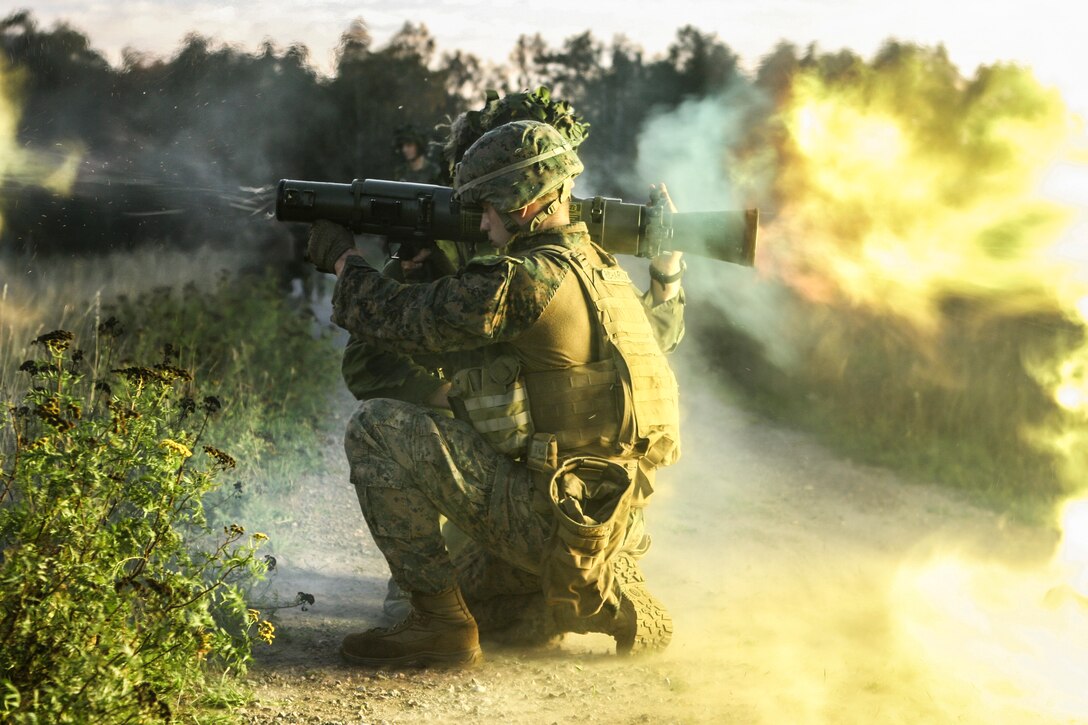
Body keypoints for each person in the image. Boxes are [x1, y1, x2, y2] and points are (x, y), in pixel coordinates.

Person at [307, 120, 682, 666]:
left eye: (486, 208)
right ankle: (594, 588)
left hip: (549, 511)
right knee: (495, 611)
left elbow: (401, 319)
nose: (481, 224)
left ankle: (440, 625)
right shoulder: (605, 272)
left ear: (521, 204)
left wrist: (345, 260)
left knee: (377, 427)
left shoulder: (526, 277)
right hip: (607, 511)